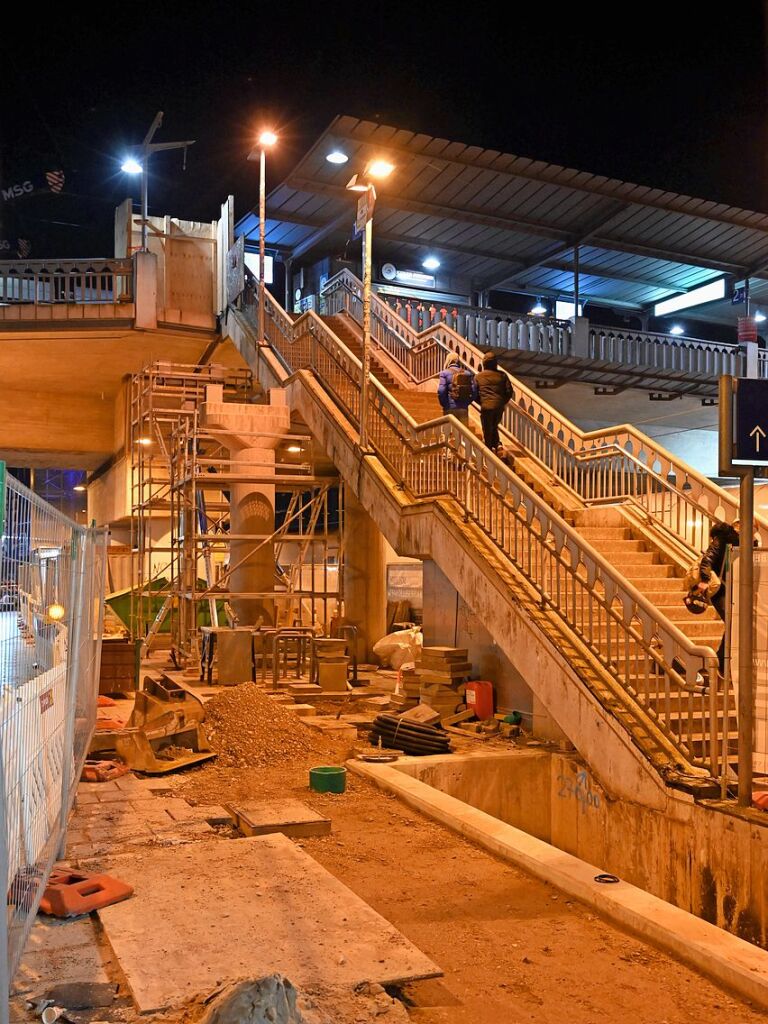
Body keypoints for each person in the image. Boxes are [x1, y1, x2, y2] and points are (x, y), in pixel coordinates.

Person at [696, 520, 740, 676]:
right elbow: (708, 559)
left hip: (733, 590)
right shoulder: (722, 538)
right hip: (719, 589)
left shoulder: (746, 542)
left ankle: (722, 661)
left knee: (735, 624)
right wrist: (704, 579)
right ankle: (721, 662)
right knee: (733, 623)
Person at [474, 352, 514, 452]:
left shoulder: (478, 376)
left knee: (487, 429)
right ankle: (497, 445)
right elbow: (509, 391)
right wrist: (501, 402)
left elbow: (474, 393)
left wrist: (482, 401)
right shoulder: (502, 375)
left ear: (484, 363)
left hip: (486, 406)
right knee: (494, 425)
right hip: (499, 407)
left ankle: (489, 450)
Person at [437, 355, 477, 426]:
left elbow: (441, 390)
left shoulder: (444, 373)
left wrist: (445, 404)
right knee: (463, 434)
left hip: (449, 408)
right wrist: (467, 402)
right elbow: (474, 391)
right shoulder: (467, 373)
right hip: (463, 409)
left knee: (449, 433)